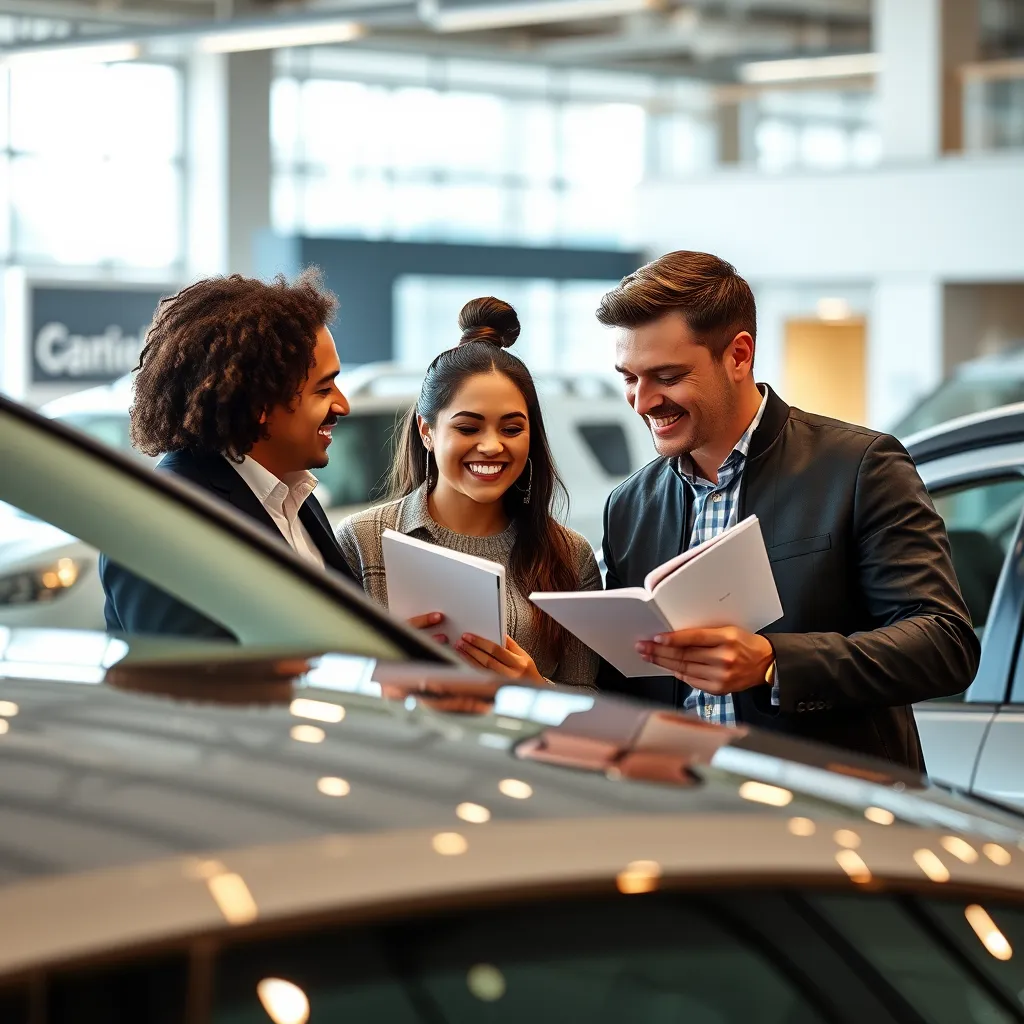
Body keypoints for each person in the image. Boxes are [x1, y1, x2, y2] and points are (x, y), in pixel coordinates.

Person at [595, 250, 979, 770]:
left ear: (738, 355)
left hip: (832, 813)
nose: (642, 402)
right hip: (682, 811)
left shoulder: (861, 466)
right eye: (629, 378)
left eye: (666, 376)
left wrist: (776, 661)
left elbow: (943, 641)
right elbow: (631, 685)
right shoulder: (629, 506)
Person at [337, 297, 600, 688]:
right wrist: (386, 672)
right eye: (468, 428)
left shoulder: (569, 554)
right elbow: (322, 681)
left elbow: (596, 705)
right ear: (427, 432)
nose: (492, 446)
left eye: (512, 429)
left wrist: (537, 690)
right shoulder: (362, 541)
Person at [100, 269, 360, 638]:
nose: (343, 405)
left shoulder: (294, 497)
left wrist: (388, 652)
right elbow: (194, 686)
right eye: (323, 389)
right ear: (259, 402)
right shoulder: (159, 524)